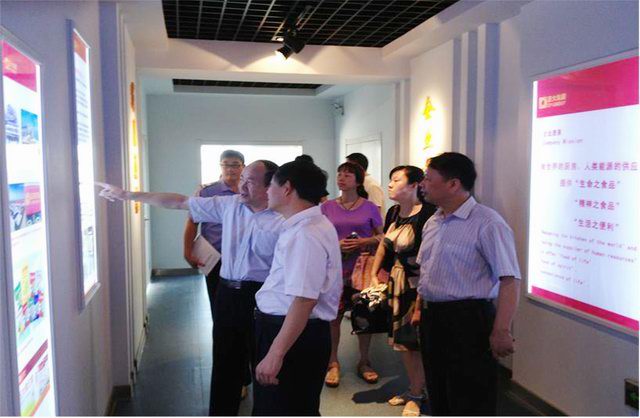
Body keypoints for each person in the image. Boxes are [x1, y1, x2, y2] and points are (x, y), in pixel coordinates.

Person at [96, 160, 283, 416]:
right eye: (242, 179)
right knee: (225, 361)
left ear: (269, 186)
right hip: (228, 293)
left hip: (263, 296)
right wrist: (127, 195)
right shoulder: (229, 205)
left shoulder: (283, 217)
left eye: (249, 181)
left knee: (264, 364)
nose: (241, 185)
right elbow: (179, 202)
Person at [416, 152, 521, 416]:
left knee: (471, 397)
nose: (423, 184)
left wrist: (501, 330)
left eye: (429, 179)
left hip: (468, 320)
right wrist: (419, 307)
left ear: (453, 184)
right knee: (438, 390)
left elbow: (509, 279)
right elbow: (427, 270)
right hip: (433, 318)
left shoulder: (488, 223)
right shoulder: (433, 221)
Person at [252, 160, 342, 416]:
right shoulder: (304, 225)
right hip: (292, 330)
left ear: (287, 188)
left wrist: (275, 354)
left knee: (284, 408)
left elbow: (304, 300)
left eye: (271, 185)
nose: (267, 191)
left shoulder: (306, 233)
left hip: (293, 334)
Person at [369, 165, 436, 416]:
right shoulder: (395, 212)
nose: (390, 184)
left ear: (414, 185)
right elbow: (384, 245)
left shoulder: (428, 215)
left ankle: (417, 393)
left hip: (417, 287)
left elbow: (429, 260)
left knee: (414, 343)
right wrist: (374, 273)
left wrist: (419, 298)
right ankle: (415, 388)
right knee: (404, 343)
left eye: (396, 180)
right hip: (397, 283)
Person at [320, 162, 383, 388]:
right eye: (339, 174)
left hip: (362, 268)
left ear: (358, 181)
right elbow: (318, 236)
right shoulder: (326, 207)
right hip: (334, 268)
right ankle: (332, 362)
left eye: (347, 175)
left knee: (363, 316)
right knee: (333, 316)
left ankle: (364, 361)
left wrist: (363, 241)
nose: (342, 178)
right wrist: (335, 244)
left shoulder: (369, 207)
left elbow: (382, 237)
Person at [183, 149, 244, 316]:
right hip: (214, 255)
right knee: (217, 301)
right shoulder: (207, 192)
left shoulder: (249, 191)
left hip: (242, 256)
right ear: (220, 166)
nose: (230, 169)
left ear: (243, 167)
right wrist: (187, 251)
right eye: (226, 165)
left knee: (241, 303)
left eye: (235, 165)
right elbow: (192, 222)